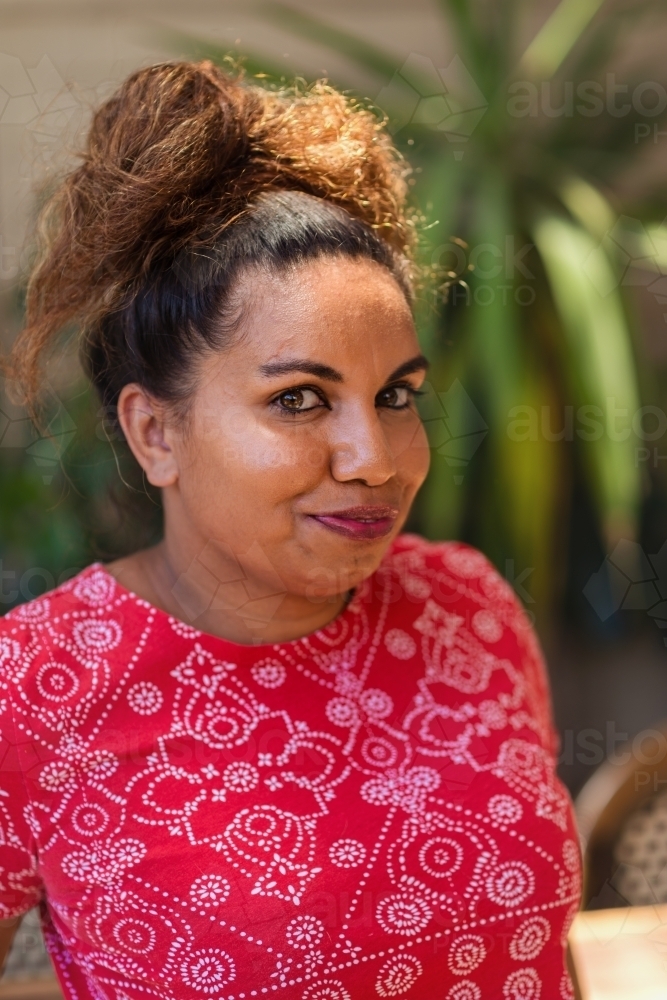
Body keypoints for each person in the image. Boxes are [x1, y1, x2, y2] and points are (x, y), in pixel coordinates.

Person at [0, 61, 580, 1000]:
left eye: (396, 396)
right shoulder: (34, 691)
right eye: (300, 399)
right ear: (157, 431)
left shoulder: (465, 607)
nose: (375, 459)